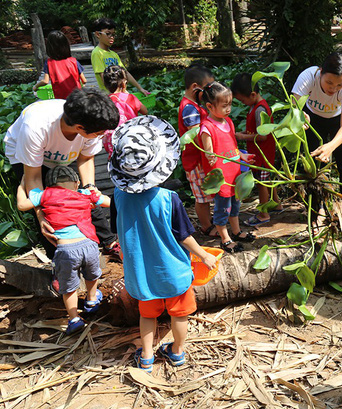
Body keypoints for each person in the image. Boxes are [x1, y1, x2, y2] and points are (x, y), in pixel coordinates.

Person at [109, 116, 217, 372]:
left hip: (141, 273)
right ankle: (177, 352)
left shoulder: (117, 196)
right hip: (173, 270)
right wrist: (204, 255)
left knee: (147, 315)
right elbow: (184, 235)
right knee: (180, 314)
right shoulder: (169, 199)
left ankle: (146, 357)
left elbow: (117, 229)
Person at [3, 88, 121, 258]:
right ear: (80, 127)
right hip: (27, 156)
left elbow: (86, 159)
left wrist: (90, 188)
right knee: (49, 209)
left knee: (84, 196)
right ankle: (57, 260)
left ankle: (109, 241)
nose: (102, 136)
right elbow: (34, 178)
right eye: (100, 133)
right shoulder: (36, 128)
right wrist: (40, 214)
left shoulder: (91, 125)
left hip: (60, 153)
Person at [16, 166, 110, 334]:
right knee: (92, 273)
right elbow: (108, 202)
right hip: (89, 244)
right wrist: (93, 191)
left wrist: (22, 185)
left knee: (68, 286)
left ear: (50, 185)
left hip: (66, 248)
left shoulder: (44, 195)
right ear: (76, 183)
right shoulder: (84, 193)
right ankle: (92, 299)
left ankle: (74, 318)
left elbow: (22, 205)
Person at [291, 53, 342, 232]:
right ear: (320, 73)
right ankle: (316, 211)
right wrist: (299, 117)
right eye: (329, 83)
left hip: (338, 122)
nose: (334, 88)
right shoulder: (308, 77)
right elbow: (294, 106)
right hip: (312, 119)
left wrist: (331, 146)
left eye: (339, 85)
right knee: (313, 168)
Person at [198, 82, 252, 253]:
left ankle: (236, 231)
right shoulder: (207, 127)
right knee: (222, 208)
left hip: (234, 173)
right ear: (209, 106)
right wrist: (210, 155)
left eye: (230, 104)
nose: (229, 108)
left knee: (235, 204)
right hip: (221, 178)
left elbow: (232, 144)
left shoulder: (228, 121)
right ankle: (225, 238)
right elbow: (209, 151)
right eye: (224, 105)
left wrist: (241, 155)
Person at [231, 72, 284, 226]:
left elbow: (262, 136)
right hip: (261, 152)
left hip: (263, 153)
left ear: (253, 94)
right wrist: (240, 133)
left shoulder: (260, 110)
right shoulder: (255, 106)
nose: (242, 103)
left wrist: (242, 137)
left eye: (242, 100)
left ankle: (263, 213)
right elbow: (254, 131)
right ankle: (276, 203)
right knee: (267, 180)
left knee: (262, 183)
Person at [179, 65, 216, 236]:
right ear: (195, 87)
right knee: (201, 198)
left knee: (206, 195)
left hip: (201, 158)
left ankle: (209, 221)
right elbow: (197, 134)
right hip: (194, 161)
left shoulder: (194, 105)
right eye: (208, 88)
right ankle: (206, 226)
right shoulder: (189, 108)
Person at [90, 17, 149, 95]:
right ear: (98, 34)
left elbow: (125, 73)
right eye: (108, 34)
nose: (112, 37)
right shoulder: (97, 53)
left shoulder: (114, 54)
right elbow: (103, 77)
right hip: (110, 97)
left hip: (120, 94)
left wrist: (140, 88)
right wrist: (116, 94)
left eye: (113, 34)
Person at [101, 65, 148, 157]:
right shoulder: (130, 98)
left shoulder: (105, 100)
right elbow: (145, 111)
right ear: (123, 84)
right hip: (130, 137)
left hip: (110, 139)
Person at [32, 30, 86, 99]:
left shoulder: (49, 63)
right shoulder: (73, 61)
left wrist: (35, 87)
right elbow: (84, 80)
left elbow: (45, 81)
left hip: (60, 98)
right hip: (76, 97)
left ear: (49, 47)